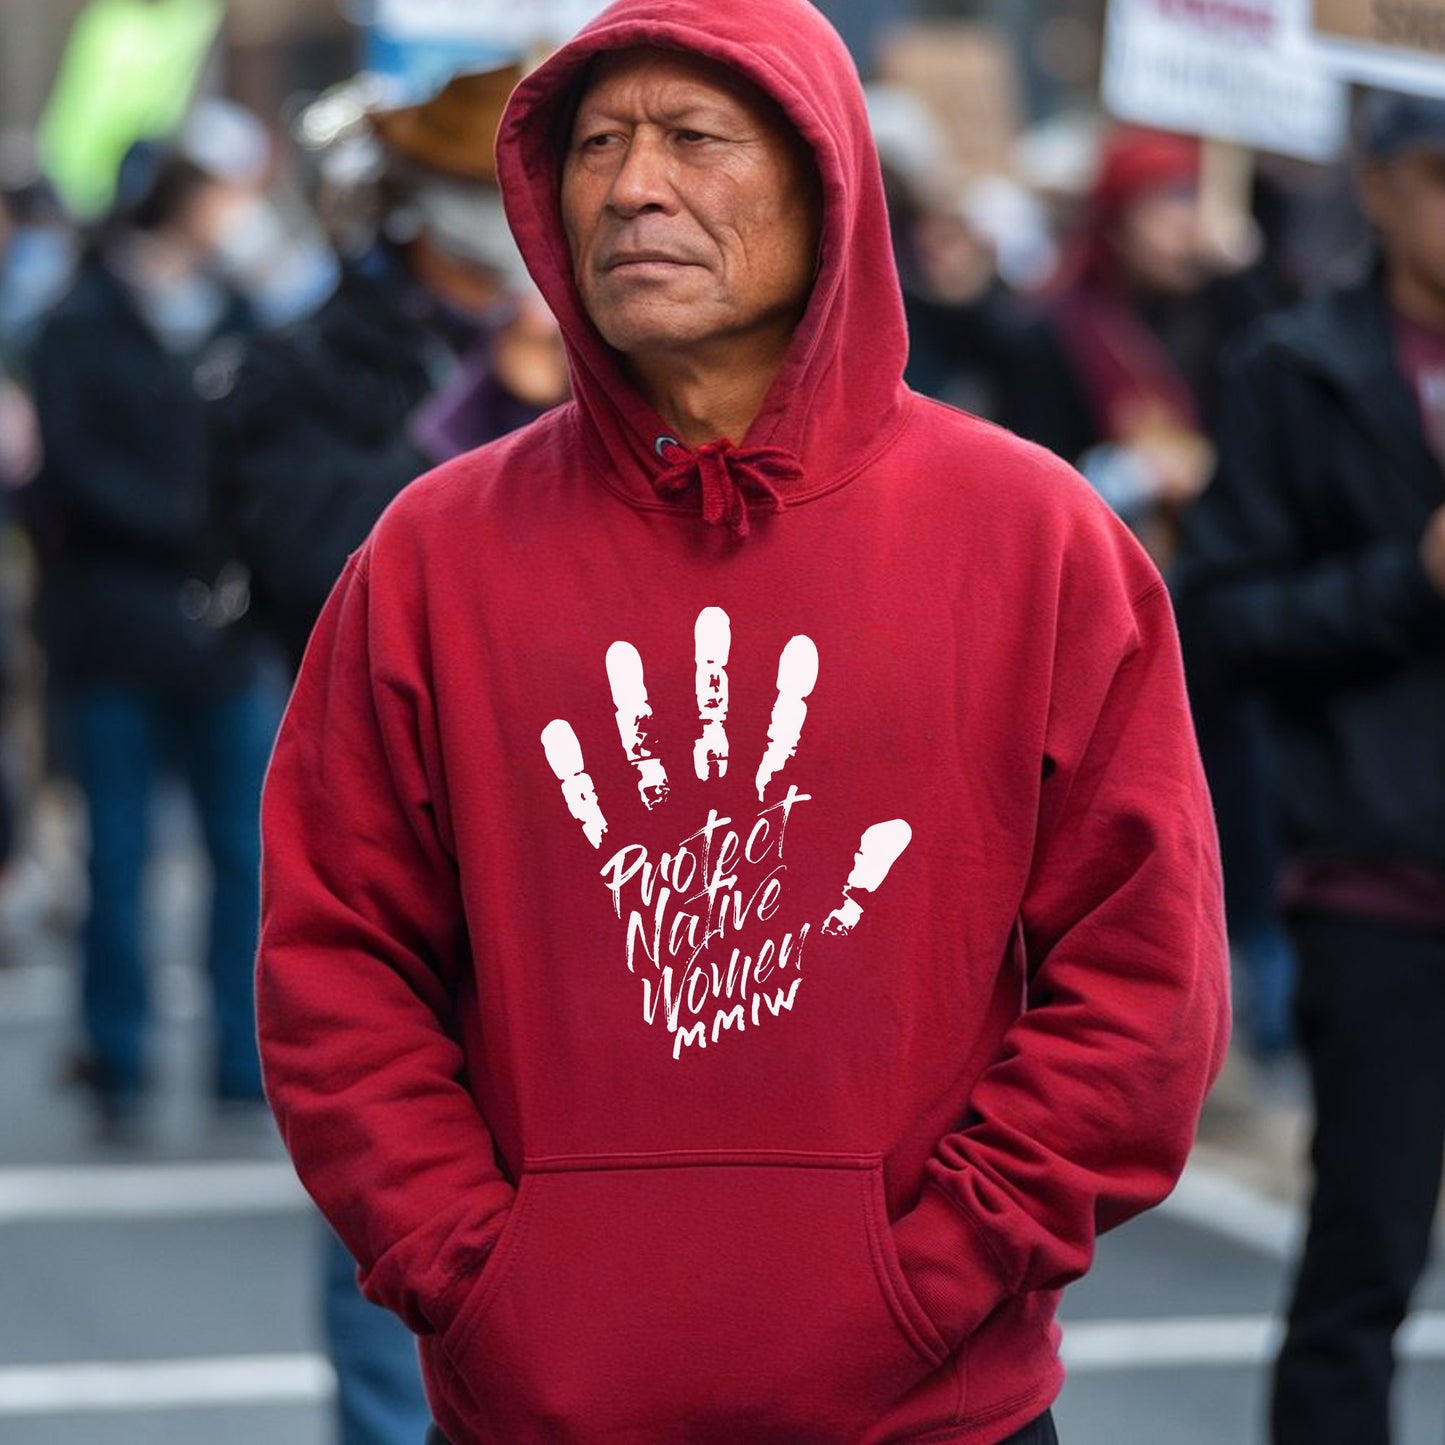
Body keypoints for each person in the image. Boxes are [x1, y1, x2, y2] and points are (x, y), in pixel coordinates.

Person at [256, 2, 1231, 1442]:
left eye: (694, 138)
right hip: (544, 1402)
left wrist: (940, 1268)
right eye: (595, 144)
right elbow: (337, 961)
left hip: (932, 1408)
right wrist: (472, 1269)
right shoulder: (431, 554)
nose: (633, 185)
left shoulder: (1032, 537)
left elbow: (1144, 978)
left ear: (825, 179)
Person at [210, 62, 566, 1445]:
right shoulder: (311, 361)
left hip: (574, 818)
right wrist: (483, 419)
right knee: (395, 1178)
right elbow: (313, 561)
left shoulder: (607, 335)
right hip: (397, 813)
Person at [1177, 91, 1445, 1445]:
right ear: (1381, 185)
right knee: (1364, 1259)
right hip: (1380, 877)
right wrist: (1411, 580)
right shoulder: (1297, 364)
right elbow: (1223, 620)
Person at [27, 134, 282, 1138]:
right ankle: (118, 1059)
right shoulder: (77, 323)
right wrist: (196, 526)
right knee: (119, 853)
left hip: (225, 635)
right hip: (114, 628)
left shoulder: (244, 312)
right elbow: (71, 473)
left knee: (241, 854)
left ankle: (238, 1058)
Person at [209, 63, 563, 673]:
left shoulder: (575, 347)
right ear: (427, 198)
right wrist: (482, 405)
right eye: (492, 189)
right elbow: (320, 566)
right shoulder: (308, 361)